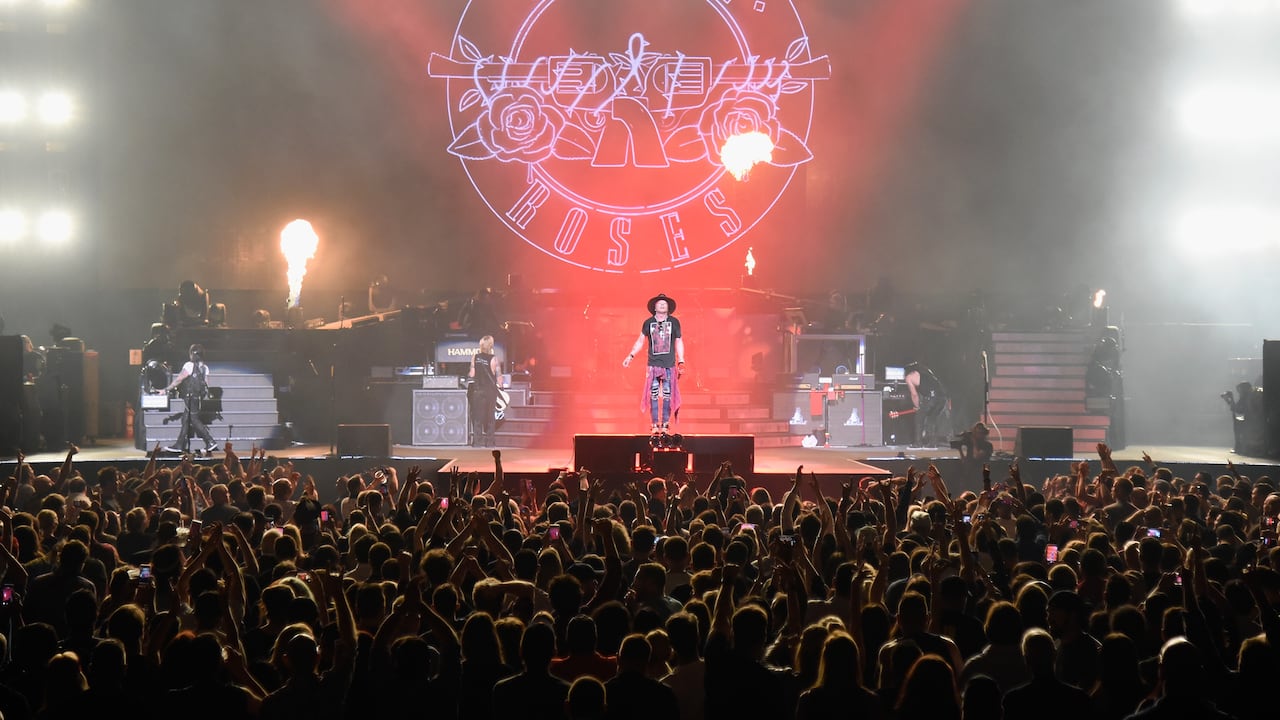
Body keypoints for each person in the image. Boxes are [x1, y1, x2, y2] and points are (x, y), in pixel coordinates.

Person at [622, 293, 684, 435]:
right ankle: (655, 424)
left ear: (668, 307)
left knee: (667, 394)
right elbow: (640, 341)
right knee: (653, 394)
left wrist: (681, 360)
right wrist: (630, 356)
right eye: (659, 303)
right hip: (653, 365)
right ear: (654, 307)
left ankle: (665, 424)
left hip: (669, 365)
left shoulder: (674, 322)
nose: (662, 304)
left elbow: (679, 341)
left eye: (665, 303)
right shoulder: (648, 323)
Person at [161, 343, 217, 455]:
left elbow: (179, 379)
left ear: (192, 354)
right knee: (186, 420)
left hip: (190, 397)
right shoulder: (205, 368)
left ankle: (210, 441)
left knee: (194, 420)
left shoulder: (189, 365)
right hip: (197, 397)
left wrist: (166, 390)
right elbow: (206, 384)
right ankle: (179, 445)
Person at [904, 361, 948, 447]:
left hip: (931, 397)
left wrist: (917, 406)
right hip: (942, 397)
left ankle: (918, 443)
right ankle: (932, 443)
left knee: (919, 418)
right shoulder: (927, 371)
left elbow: (914, 395)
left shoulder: (909, 377)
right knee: (932, 419)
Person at [469, 335, 501, 448]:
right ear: (491, 345)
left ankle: (477, 442)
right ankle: (490, 442)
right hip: (490, 391)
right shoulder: (494, 359)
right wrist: (501, 385)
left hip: (478, 390)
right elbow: (499, 377)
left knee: (478, 417)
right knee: (490, 417)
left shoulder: (475, 357)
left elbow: (472, 374)